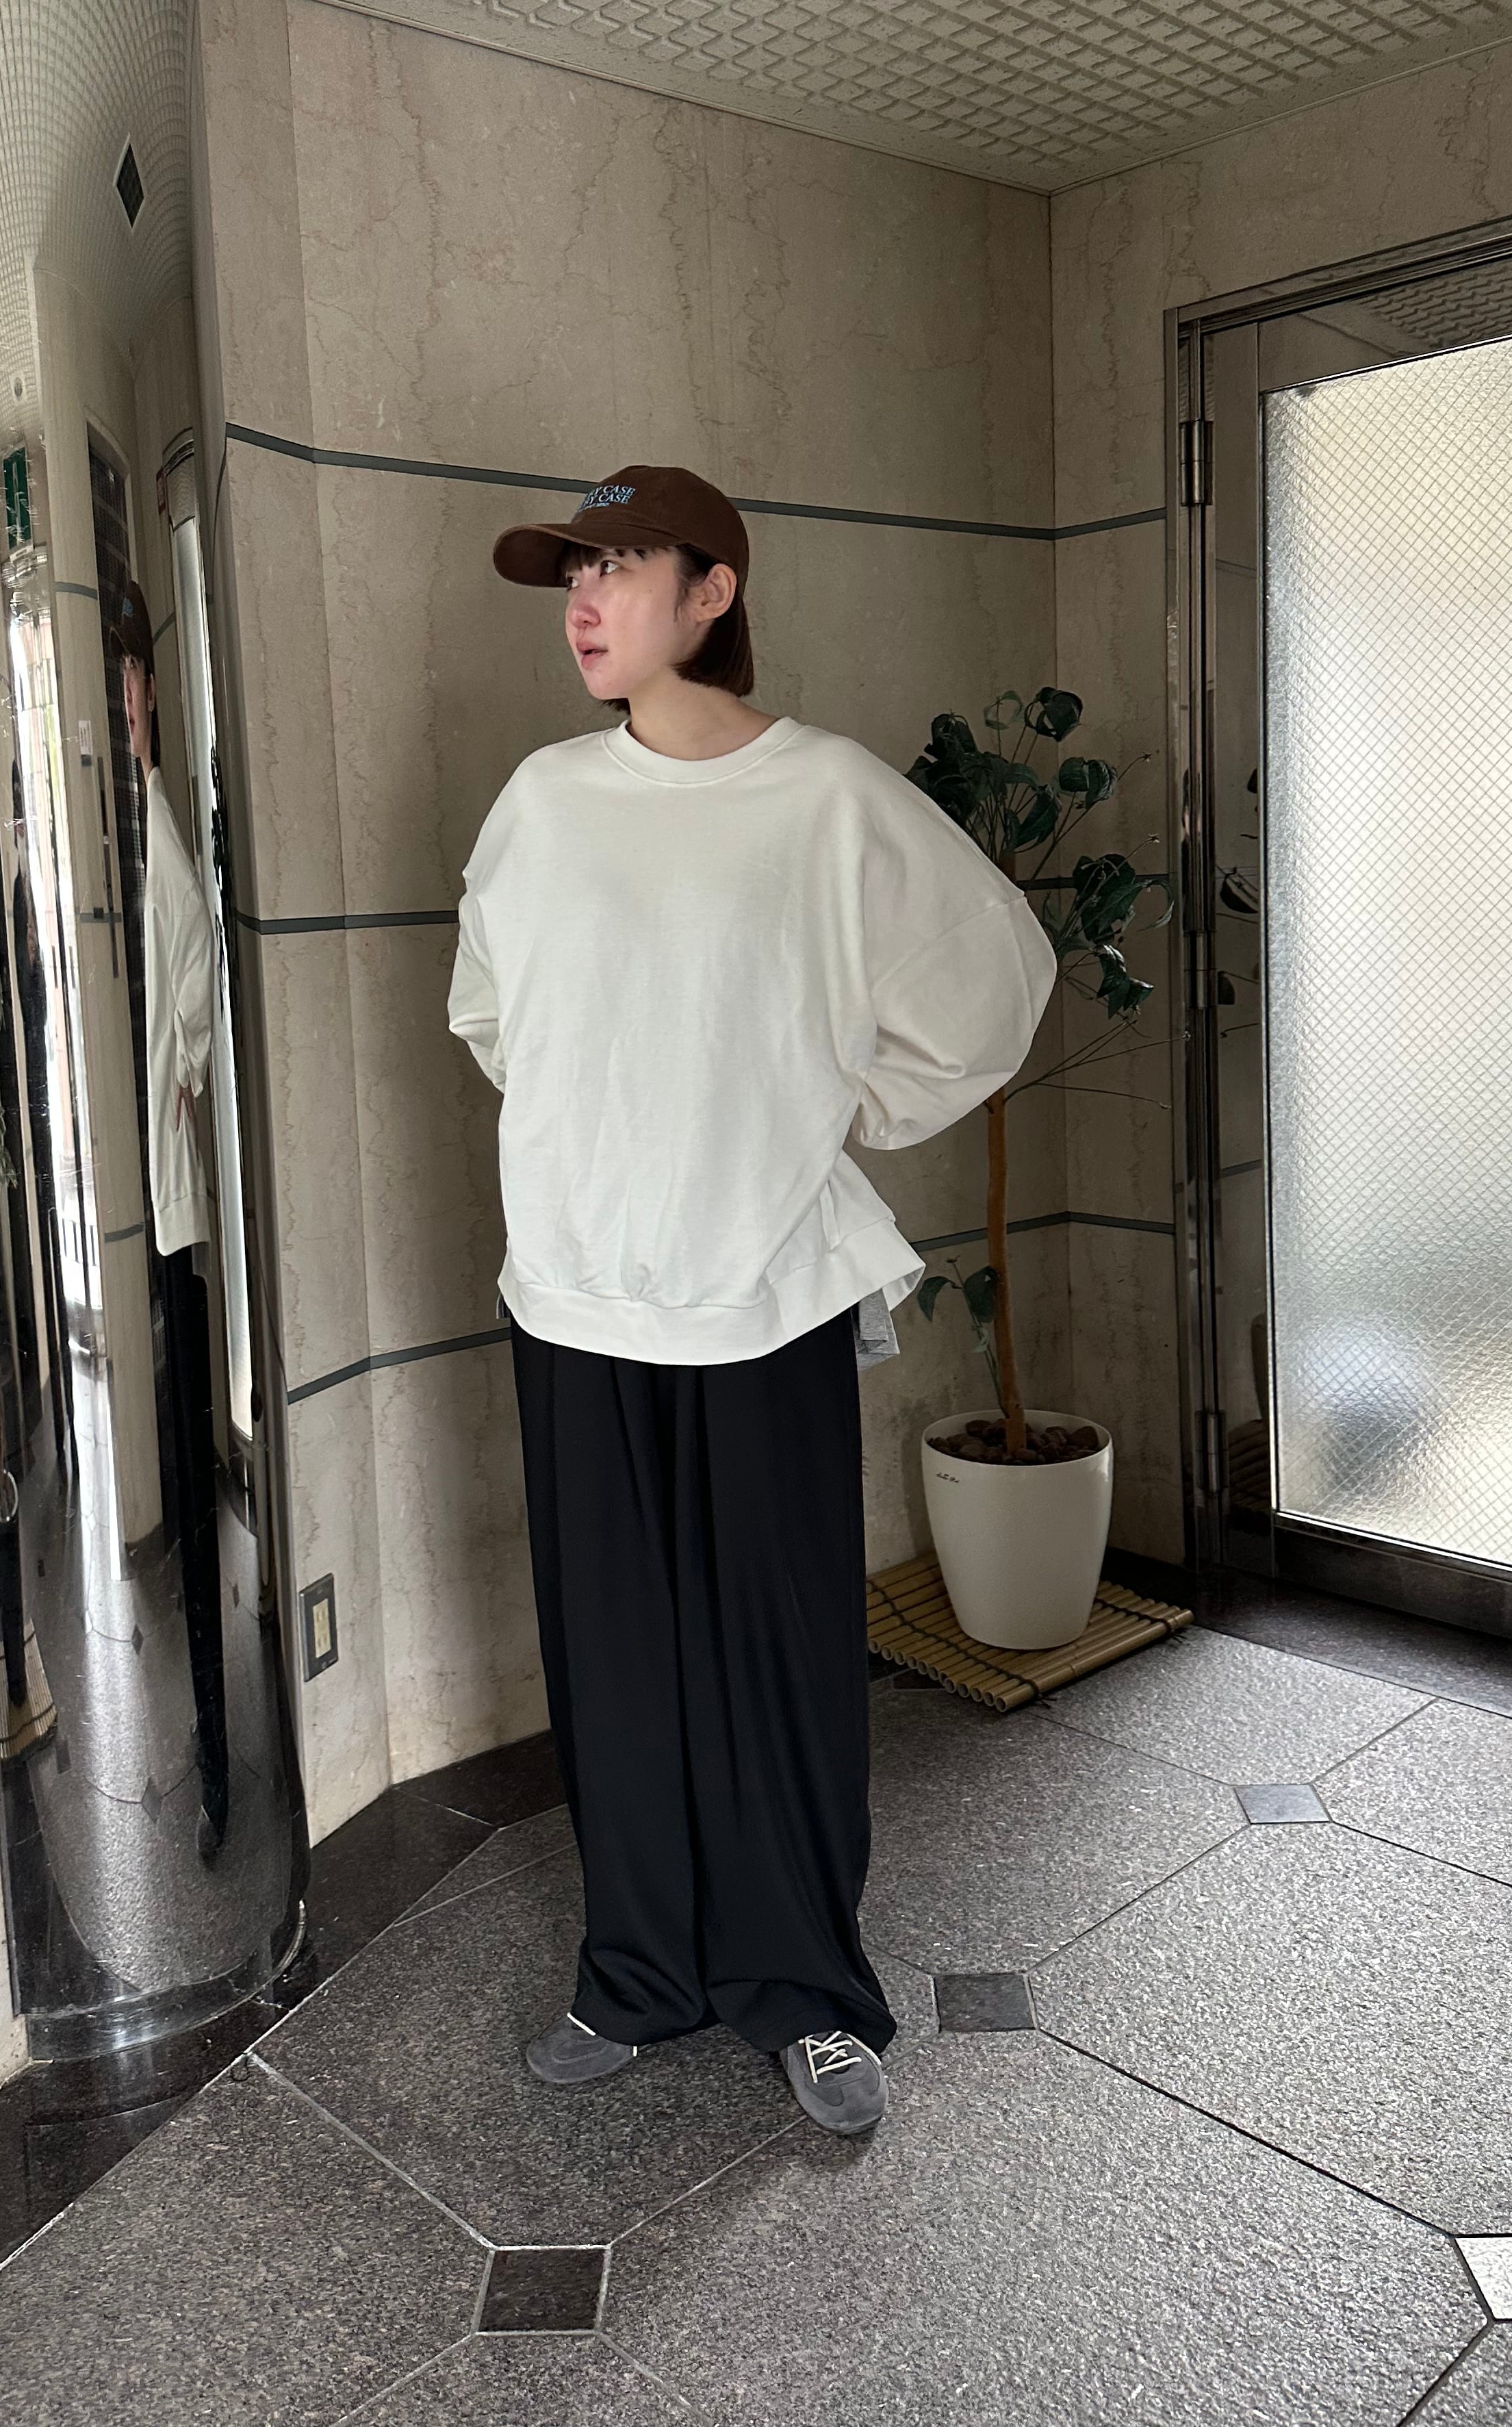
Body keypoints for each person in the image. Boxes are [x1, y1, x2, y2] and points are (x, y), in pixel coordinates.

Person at [447, 463, 1057, 2137]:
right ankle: (636, 1973)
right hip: (575, 1296)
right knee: (616, 1662)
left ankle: (808, 1990)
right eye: (571, 574)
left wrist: (823, 1113)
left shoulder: (830, 799)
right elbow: (496, 1019)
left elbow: (993, 981)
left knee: (779, 1655)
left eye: (619, 566)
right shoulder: (543, 803)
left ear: (712, 591)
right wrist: (608, 1136)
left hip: (763, 1296)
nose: (583, 600)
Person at [110, 587, 233, 1865]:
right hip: (129, 1204)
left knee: (189, 1466)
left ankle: (212, 1764)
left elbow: (191, 962)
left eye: (134, 683)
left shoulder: (147, 832)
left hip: (163, 1211)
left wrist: (189, 1067)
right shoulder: (113, 833)